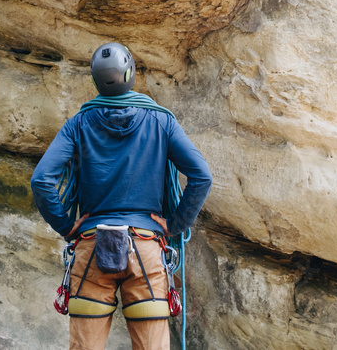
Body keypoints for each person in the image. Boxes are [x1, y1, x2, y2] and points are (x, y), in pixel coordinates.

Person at [30, 42, 212, 350]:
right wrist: (175, 224)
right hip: (146, 248)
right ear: (130, 74)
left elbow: (41, 179)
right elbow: (201, 175)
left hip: (90, 248)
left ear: (94, 80)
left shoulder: (78, 124)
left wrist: (66, 226)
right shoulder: (161, 121)